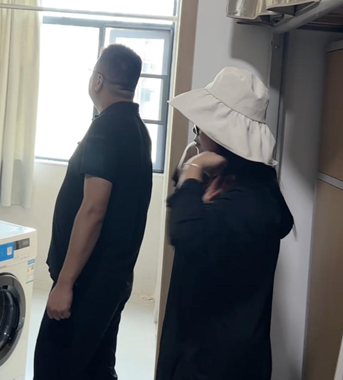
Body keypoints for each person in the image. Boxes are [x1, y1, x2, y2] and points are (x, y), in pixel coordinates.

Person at [156, 67, 294, 380]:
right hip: (215, 352)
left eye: (199, 129)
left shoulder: (249, 201)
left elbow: (185, 232)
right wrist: (193, 173)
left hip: (215, 363)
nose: (196, 137)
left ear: (221, 137)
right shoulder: (241, 186)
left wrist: (193, 169)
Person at [34, 44, 153, 380]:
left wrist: (65, 283)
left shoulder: (105, 128)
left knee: (53, 368)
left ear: (98, 80)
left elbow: (93, 210)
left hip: (86, 283)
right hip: (113, 280)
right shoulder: (138, 129)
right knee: (97, 369)